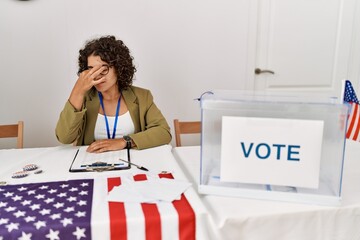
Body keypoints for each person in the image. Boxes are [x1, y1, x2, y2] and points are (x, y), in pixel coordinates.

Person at [56, 35, 171, 153]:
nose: (97, 76)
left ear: (119, 68)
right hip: (92, 166)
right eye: (91, 69)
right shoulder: (83, 98)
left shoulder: (142, 96)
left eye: (103, 69)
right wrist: (78, 91)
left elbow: (164, 132)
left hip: (131, 165)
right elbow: (64, 138)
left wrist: (124, 142)